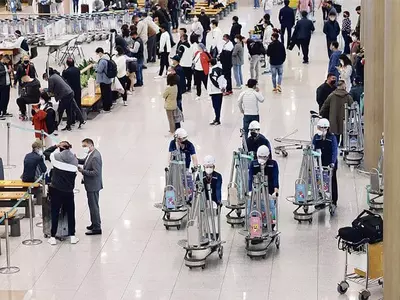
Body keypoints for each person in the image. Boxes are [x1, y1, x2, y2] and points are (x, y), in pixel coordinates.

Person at [43, 141, 79, 246]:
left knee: (55, 212)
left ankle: (53, 237)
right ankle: (72, 236)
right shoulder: (74, 160)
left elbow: (46, 152)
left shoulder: (55, 157)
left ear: (60, 148)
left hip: (56, 190)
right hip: (68, 191)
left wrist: (55, 146)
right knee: (71, 212)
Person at [77, 138, 103, 235]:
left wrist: (82, 171)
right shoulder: (91, 154)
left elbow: (96, 172)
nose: (83, 148)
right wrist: (77, 160)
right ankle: (94, 223)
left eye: (85, 146)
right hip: (91, 185)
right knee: (92, 205)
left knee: (94, 206)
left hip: (93, 185)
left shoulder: (95, 157)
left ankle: (97, 228)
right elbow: (85, 161)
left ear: (90, 145)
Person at [248, 145, 279, 226]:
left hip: (269, 191)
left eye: (264, 157)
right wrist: (250, 191)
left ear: (268, 156)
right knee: (251, 207)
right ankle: (253, 224)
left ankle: (271, 224)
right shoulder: (253, 164)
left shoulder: (273, 164)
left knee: (270, 208)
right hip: (256, 191)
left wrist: (275, 191)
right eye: (260, 157)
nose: (262, 159)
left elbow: (275, 177)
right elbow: (250, 178)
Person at [312, 118, 338, 210]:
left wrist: (332, 163)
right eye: (319, 128)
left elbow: (334, 151)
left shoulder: (332, 138)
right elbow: (313, 148)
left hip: (329, 163)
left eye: (321, 128)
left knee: (332, 181)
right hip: (319, 163)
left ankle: (333, 201)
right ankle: (320, 200)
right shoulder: (316, 137)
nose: (320, 130)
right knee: (319, 181)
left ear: (326, 128)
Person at [320, 80, 354, 146]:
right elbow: (353, 107)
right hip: (345, 119)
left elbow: (325, 105)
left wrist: (321, 113)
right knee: (344, 134)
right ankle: (343, 147)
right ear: (344, 86)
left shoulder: (332, 95)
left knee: (335, 135)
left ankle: (335, 147)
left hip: (334, 119)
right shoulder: (348, 97)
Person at [208, 58, 227, 126]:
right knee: (218, 106)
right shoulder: (219, 70)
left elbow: (214, 81)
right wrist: (223, 87)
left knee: (216, 106)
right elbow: (224, 79)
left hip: (215, 91)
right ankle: (217, 118)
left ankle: (217, 119)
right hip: (218, 92)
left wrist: (220, 87)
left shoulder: (213, 71)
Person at [95, 47, 113, 112]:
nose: (97, 55)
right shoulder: (107, 58)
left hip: (103, 80)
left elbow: (99, 70)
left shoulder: (102, 61)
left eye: (97, 54)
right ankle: (109, 105)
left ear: (100, 53)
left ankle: (106, 108)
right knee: (108, 93)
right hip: (108, 79)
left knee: (104, 94)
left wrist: (95, 66)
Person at [0, 54, 12, 120]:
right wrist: (6, 71)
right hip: (1, 85)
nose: (8, 62)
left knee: (6, 99)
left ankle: (4, 111)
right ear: (4, 58)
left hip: (7, 84)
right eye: (7, 60)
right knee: (1, 99)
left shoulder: (6, 65)